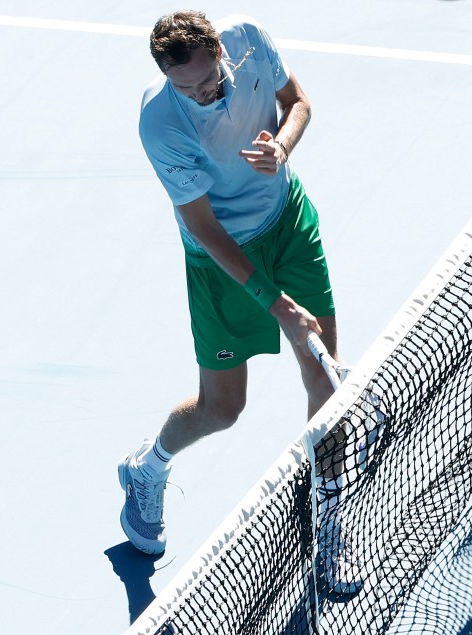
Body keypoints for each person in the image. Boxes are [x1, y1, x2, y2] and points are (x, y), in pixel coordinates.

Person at [119, 11, 361, 592]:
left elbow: (298, 100)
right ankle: (147, 468)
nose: (205, 92)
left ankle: (329, 528)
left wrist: (281, 146)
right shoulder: (161, 125)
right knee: (222, 410)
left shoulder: (249, 39)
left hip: (288, 223)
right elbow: (203, 227)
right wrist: (274, 303)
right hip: (221, 260)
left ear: (221, 50)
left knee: (326, 388)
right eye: (189, 88)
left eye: (210, 77)